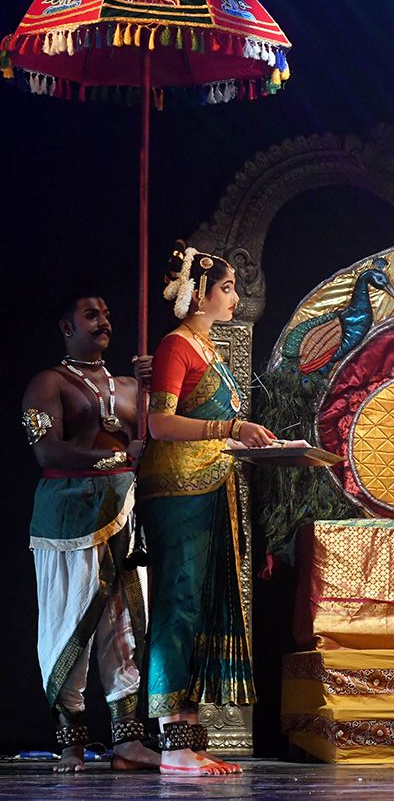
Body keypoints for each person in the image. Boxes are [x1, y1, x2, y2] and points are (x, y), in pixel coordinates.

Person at [137, 242, 276, 776]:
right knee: (176, 606)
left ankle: (187, 738)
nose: (236, 297)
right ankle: (172, 742)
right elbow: (160, 426)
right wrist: (230, 429)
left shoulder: (207, 348)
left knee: (196, 611)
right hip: (177, 492)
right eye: (227, 288)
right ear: (198, 294)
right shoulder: (177, 347)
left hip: (208, 486)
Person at [22, 292, 159, 772]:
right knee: (69, 622)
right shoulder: (47, 383)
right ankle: (72, 742)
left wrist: (151, 389)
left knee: (124, 625)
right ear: (66, 326)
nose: (104, 322)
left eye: (106, 314)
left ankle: (126, 744)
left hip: (123, 514)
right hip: (67, 520)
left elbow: (153, 434)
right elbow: (47, 453)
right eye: (91, 315)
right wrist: (119, 457)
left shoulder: (127, 384)